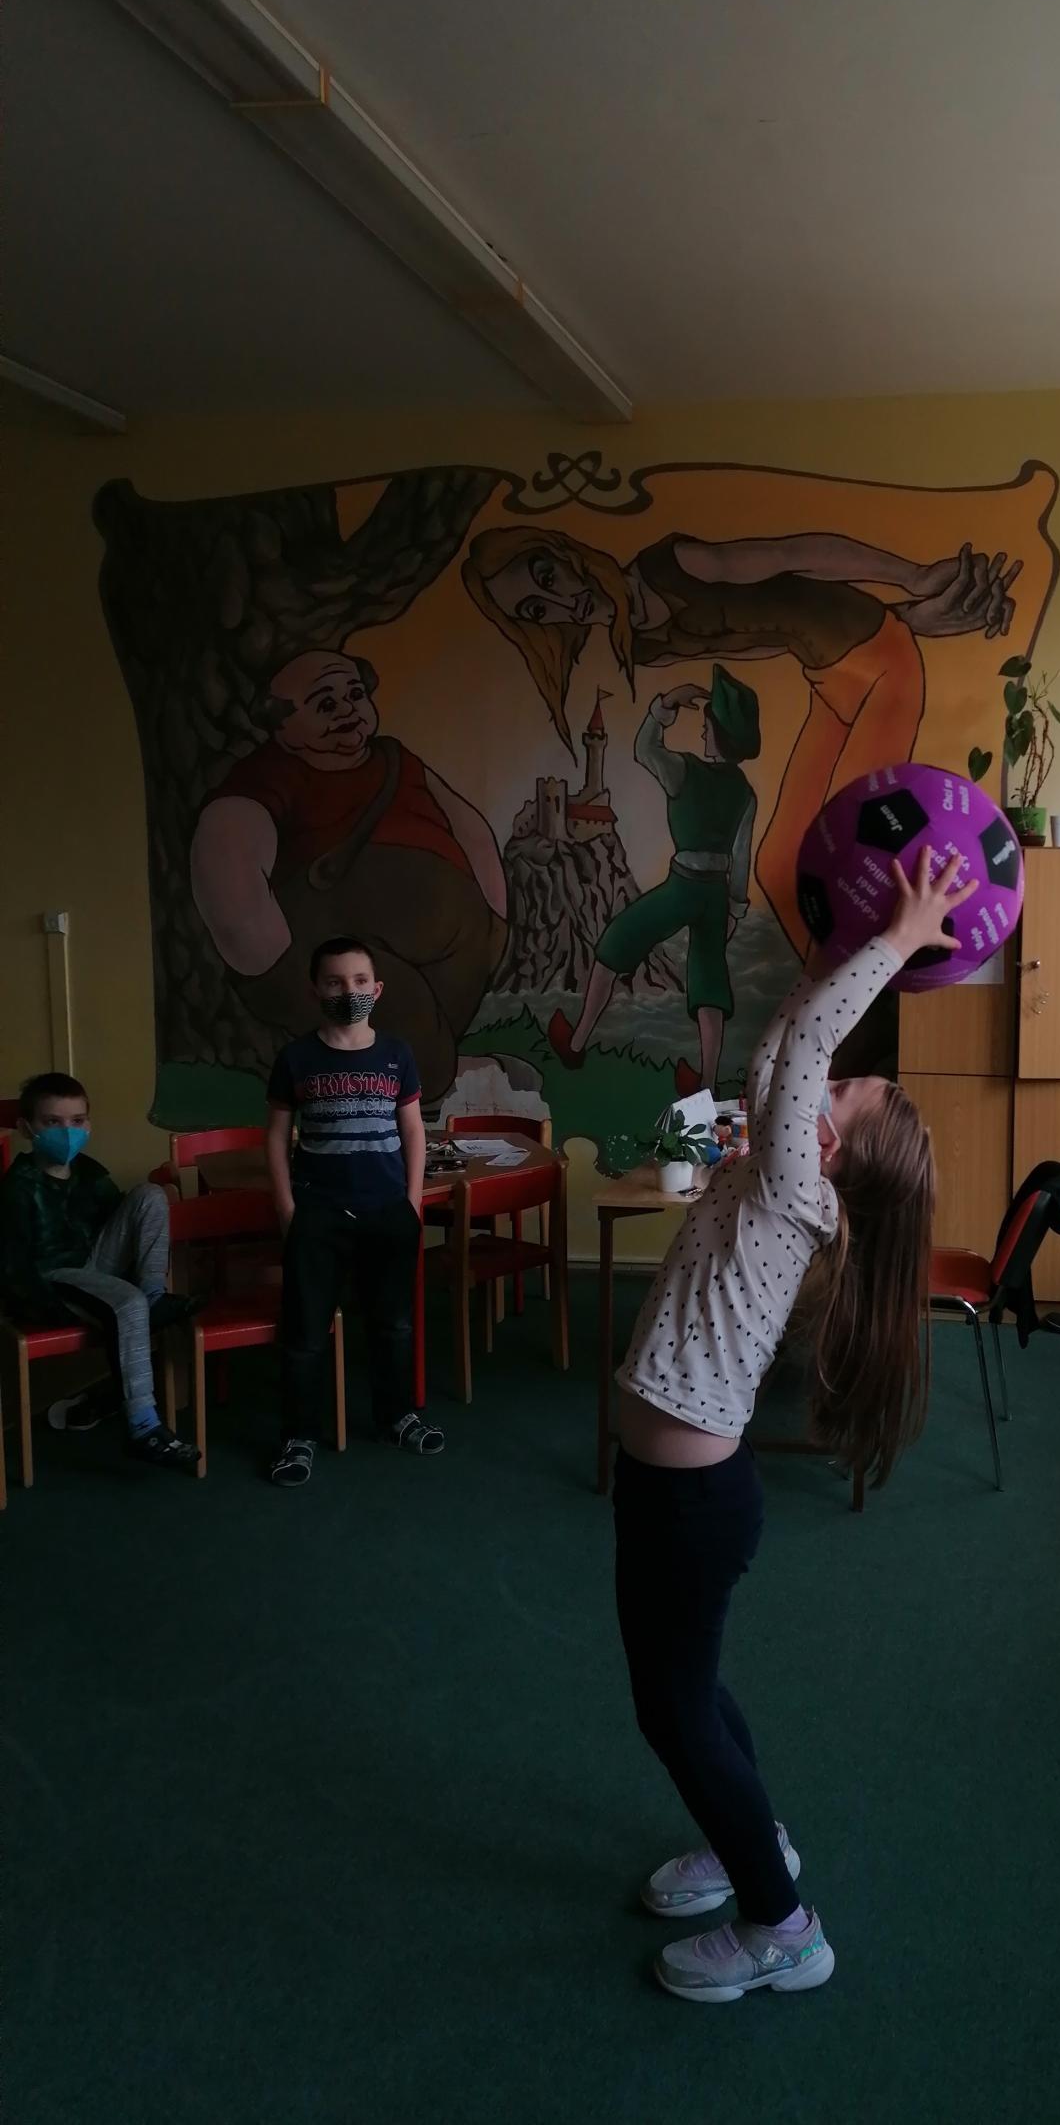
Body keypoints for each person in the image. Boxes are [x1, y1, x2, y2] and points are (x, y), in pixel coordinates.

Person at [613, 845, 973, 2003]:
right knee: (688, 1691)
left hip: (691, 1501)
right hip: (677, 1492)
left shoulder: (792, 1194)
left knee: (673, 1709)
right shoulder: (783, 1168)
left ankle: (782, 1925)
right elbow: (782, 1048)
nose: (826, 1085)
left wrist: (898, 939)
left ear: (829, 1152)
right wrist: (830, 945)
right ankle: (750, 1840)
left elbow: (809, 1044)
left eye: (842, 1097)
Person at [462, 524, 1017, 953]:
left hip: (886, 671)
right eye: (536, 609)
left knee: (856, 857)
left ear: (564, 554)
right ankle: (837, 1006)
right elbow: (769, 633)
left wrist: (913, 579)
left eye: (548, 577)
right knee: (776, 865)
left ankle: (859, 1009)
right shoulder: (642, 645)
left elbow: (794, 553)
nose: (562, 604)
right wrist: (909, 617)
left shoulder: (669, 567)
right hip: (833, 682)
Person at [190, 647, 509, 1107]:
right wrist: (270, 959)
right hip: (345, 944)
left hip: (453, 944)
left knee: (433, 1017)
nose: (346, 710)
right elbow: (229, 847)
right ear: (281, 725)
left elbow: (469, 829)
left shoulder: (396, 758)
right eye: (325, 703)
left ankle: (433, 1075)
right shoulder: (271, 776)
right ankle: (427, 1087)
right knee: (403, 1014)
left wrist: (494, 915)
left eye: (355, 694)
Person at [265, 937, 445, 1487]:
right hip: (318, 1214)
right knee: (305, 1332)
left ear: (377, 988)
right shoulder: (296, 1058)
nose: (349, 991)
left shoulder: (397, 1054)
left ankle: (397, 1417)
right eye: (336, 982)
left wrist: (412, 1203)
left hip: (387, 1211)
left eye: (360, 981)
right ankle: (299, 1436)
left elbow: (413, 1130)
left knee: (393, 1323)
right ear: (315, 990)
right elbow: (276, 1137)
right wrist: (287, 1209)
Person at [549, 666, 761, 1097]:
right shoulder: (745, 792)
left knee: (617, 939)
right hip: (716, 894)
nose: (702, 732)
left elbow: (645, 748)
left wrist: (665, 705)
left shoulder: (685, 771)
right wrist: (735, 911)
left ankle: (576, 1043)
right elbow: (741, 859)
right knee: (710, 981)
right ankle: (707, 1085)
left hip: (684, 885)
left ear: (718, 735)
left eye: (707, 726)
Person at [0, 1072, 200, 1470]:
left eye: (76, 1121)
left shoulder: (89, 1173)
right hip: (54, 1279)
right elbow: (14, 1269)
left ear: (88, 1125)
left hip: (94, 1266)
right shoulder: (17, 1188)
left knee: (150, 1195)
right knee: (128, 1302)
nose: (67, 1132)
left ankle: (154, 1297)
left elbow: (120, 1224)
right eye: (52, 1122)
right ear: (26, 1128)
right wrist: (56, 1308)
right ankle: (143, 1427)